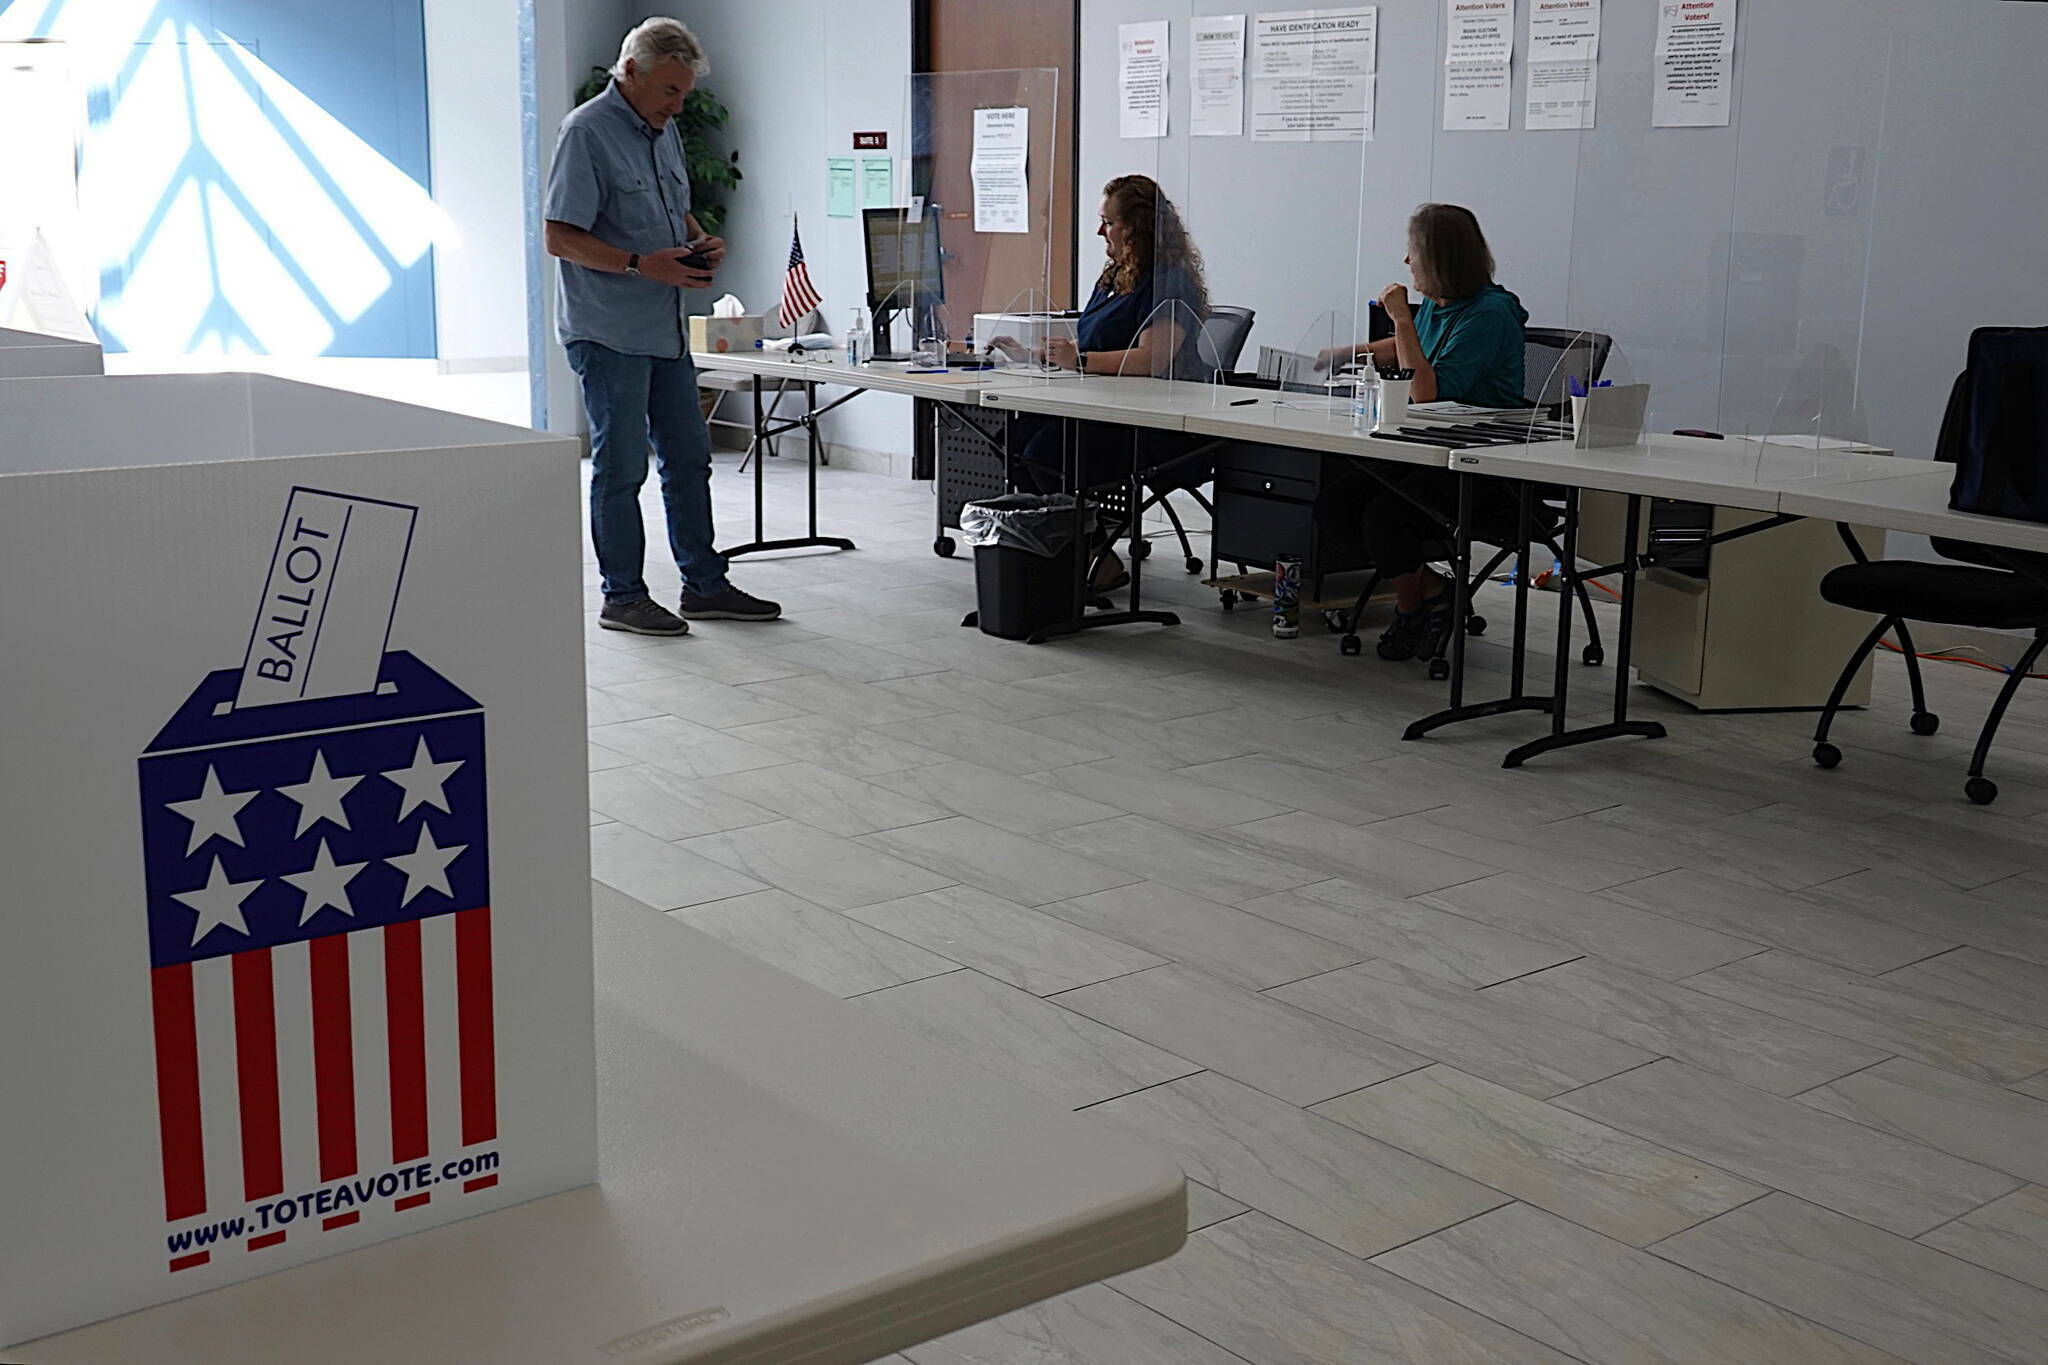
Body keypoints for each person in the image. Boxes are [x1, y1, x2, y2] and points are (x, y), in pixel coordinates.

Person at [543, 17, 779, 637]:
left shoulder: (663, 129)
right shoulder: (585, 133)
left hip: (667, 328)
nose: (679, 105)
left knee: (689, 458)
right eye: (670, 91)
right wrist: (638, 264)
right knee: (622, 469)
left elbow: (674, 208)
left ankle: (704, 585)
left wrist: (700, 239)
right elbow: (559, 235)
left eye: (684, 93)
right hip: (608, 331)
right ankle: (623, 596)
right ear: (630, 74)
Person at [1321, 204, 1529, 660]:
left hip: (1481, 463)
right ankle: (1436, 591)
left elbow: (1426, 391)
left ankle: (1411, 607)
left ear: (1438, 256)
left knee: (1383, 516)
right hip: (1426, 448)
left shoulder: (1490, 314)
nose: (1405, 261)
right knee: (1335, 503)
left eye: (1412, 251)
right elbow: (1406, 351)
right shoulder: (1442, 305)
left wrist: (1400, 319)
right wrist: (1347, 352)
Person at [1006, 174, 1212, 589]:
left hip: (1154, 423)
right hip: (1103, 406)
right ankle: (1073, 551)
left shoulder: (1169, 281)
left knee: (1044, 451)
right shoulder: (1114, 276)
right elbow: (1089, 341)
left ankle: (1099, 556)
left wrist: (1079, 361)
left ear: (1135, 226)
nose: (1101, 231)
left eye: (1109, 222)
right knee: (1014, 440)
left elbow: (1153, 359)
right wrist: (1035, 355)